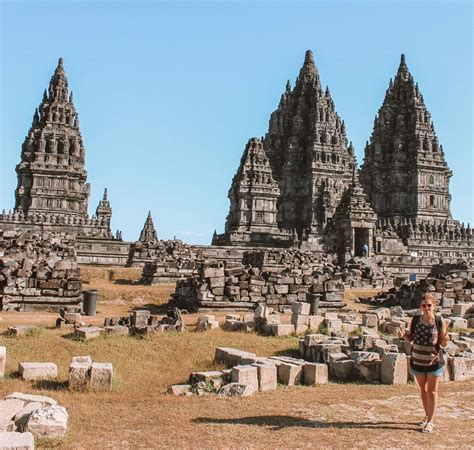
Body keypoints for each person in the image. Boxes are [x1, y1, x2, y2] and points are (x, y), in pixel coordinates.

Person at [398, 293, 449, 433]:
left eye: (429, 305)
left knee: (432, 391)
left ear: (434, 306)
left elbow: (443, 344)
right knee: (423, 390)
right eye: (423, 305)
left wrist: (446, 339)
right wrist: (404, 336)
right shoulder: (415, 320)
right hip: (418, 361)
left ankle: (431, 421)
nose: (426, 308)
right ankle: (427, 416)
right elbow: (411, 339)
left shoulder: (439, 321)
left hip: (434, 362)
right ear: (420, 306)